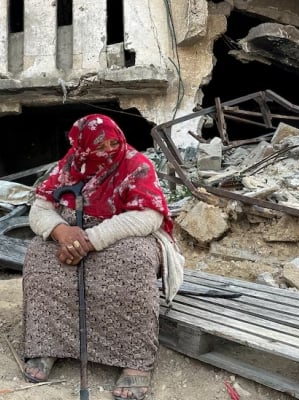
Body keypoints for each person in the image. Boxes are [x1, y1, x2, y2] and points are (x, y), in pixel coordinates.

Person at [21, 114, 184, 400]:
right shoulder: (70, 165)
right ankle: (48, 346)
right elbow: (40, 208)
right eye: (98, 145)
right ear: (82, 147)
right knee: (39, 256)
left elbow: (149, 216)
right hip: (71, 235)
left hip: (121, 237)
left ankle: (135, 362)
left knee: (134, 261)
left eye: (113, 141)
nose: (108, 149)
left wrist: (91, 240)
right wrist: (60, 232)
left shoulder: (135, 165)